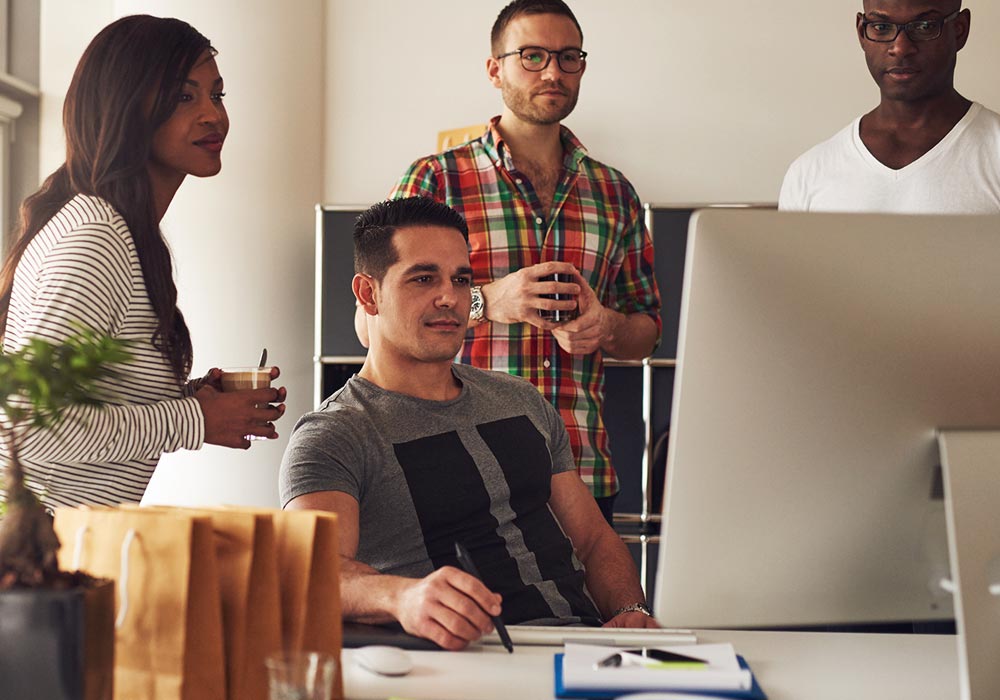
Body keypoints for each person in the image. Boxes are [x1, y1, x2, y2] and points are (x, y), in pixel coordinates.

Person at [282, 197, 656, 650]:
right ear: (368, 294)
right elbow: (312, 573)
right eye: (423, 278)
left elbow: (594, 539)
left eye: (461, 279)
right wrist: (404, 597)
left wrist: (630, 614)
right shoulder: (334, 435)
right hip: (463, 662)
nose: (450, 297)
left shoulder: (521, 400)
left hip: (582, 653)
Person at [359, 0, 661, 524]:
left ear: (583, 68)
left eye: (569, 58)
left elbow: (647, 333)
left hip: (580, 471)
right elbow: (369, 325)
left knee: (594, 610)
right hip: (458, 465)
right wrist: (486, 301)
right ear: (495, 69)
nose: (552, 71)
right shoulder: (435, 180)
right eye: (533, 55)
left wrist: (604, 326)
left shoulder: (615, 193)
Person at [0, 15, 287, 510]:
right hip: (32, 559)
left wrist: (198, 401)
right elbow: (28, 428)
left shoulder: (125, 233)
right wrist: (196, 420)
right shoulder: (97, 236)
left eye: (216, 95)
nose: (212, 115)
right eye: (183, 96)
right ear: (128, 108)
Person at [779, 0, 1000, 213]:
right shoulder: (809, 173)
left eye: (924, 26)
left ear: (960, 30)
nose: (901, 48)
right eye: (881, 27)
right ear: (861, 33)